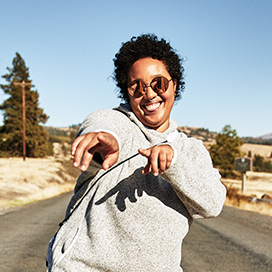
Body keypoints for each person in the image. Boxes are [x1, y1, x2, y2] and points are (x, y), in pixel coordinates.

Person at [46, 34, 226, 272]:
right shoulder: (114, 122)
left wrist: (173, 162)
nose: (149, 94)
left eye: (158, 83)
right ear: (127, 92)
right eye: (137, 87)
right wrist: (104, 142)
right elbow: (100, 126)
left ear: (175, 84)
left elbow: (212, 204)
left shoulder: (191, 150)